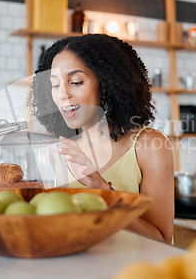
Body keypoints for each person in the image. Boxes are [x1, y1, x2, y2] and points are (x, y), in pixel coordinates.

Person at [31, 34, 174, 243]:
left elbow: (160, 239)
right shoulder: (59, 151)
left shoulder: (149, 146)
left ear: (108, 83)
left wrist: (104, 192)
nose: (62, 95)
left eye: (76, 82)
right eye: (54, 85)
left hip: (137, 273)